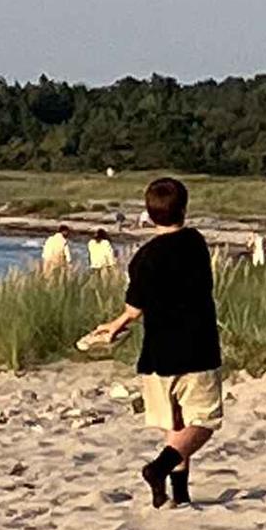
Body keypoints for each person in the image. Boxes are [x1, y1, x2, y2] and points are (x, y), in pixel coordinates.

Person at [76, 175, 221, 506]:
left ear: (149, 213)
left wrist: (113, 326)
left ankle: (177, 495)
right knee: (204, 422)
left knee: (175, 424)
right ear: (183, 209)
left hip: (158, 353)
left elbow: (134, 309)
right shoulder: (195, 242)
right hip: (198, 348)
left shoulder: (144, 257)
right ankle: (159, 469)